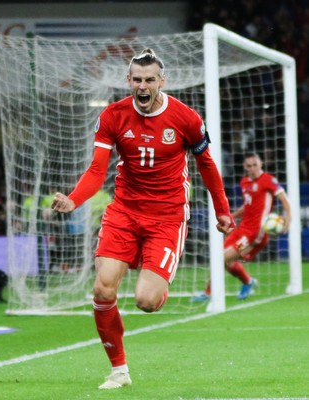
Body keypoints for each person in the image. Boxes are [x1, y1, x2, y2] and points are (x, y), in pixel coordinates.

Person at [51, 48, 235, 390]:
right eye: (137, 80)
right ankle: (119, 370)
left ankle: (159, 280)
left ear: (162, 81)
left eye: (150, 79)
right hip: (124, 211)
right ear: (128, 81)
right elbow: (96, 170)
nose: (143, 86)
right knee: (103, 288)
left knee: (146, 302)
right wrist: (74, 199)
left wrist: (222, 209)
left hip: (167, 216)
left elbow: (207, 165)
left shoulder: (186, 118)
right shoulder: (112, 116)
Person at [193, 152, 291, 302]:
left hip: (254, 233)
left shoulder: (268, 180)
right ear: (245, 167)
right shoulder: (244, 182)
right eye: (249, 166)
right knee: (225, 260)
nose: (252, 168)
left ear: (261, 164)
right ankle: (247, 282)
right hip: (242, 229)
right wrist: (232, 215)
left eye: (255, 165)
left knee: (222, 258)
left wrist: (288, 218)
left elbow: (284, 199)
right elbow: (248, 206)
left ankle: (208, 292)